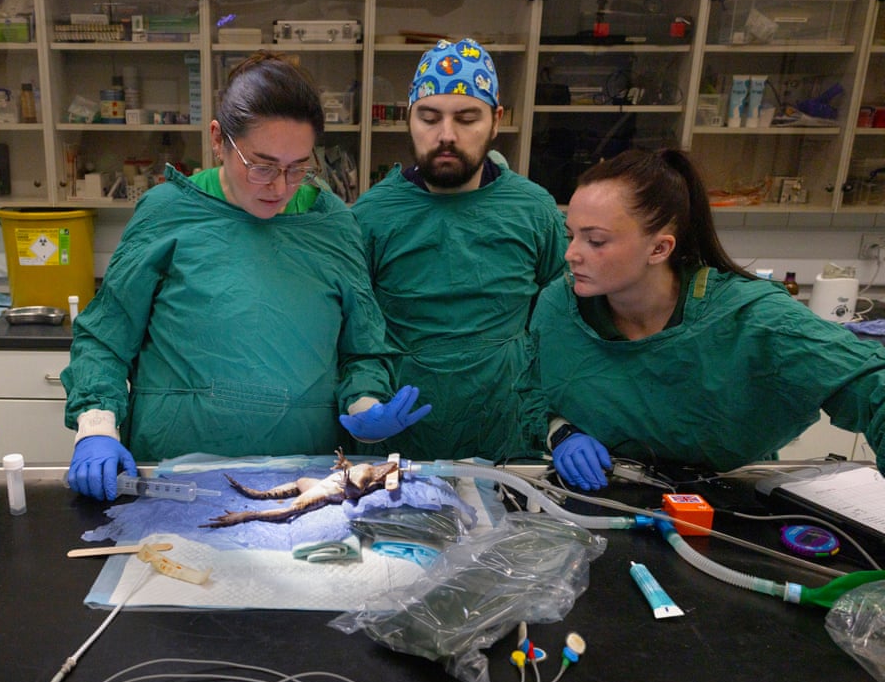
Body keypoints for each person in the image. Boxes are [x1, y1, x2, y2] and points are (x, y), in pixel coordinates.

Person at [61, 51, 429, 501]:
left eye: (298, 167)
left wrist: (366, 405)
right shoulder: (169, 215)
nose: (279, 186)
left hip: (304, 481)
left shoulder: (330, 224)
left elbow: (363, 350)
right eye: (262, 165)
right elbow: (105, 339)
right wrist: (96, 425)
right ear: (218, 139)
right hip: (176, 479)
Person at [529, 147, 885, 491]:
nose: (571, 254)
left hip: (731, 507)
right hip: (609, 495)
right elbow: (528, 393)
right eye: (571, 234)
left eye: (595, 240)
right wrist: (561, 431)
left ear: (659, 248)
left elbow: (869, 385)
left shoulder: (752, 318)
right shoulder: (560, 307)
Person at [352, 38, 567, 462]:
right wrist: (362, 401)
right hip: (401, 434)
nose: (445, 136)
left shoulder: (533, 210)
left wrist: (561, 425)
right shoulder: (373, 216)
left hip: (506, 429)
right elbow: (356, 336)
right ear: (409, 119)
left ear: (496, 121)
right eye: (429, 118)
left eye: (466, 118)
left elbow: (564, 319)